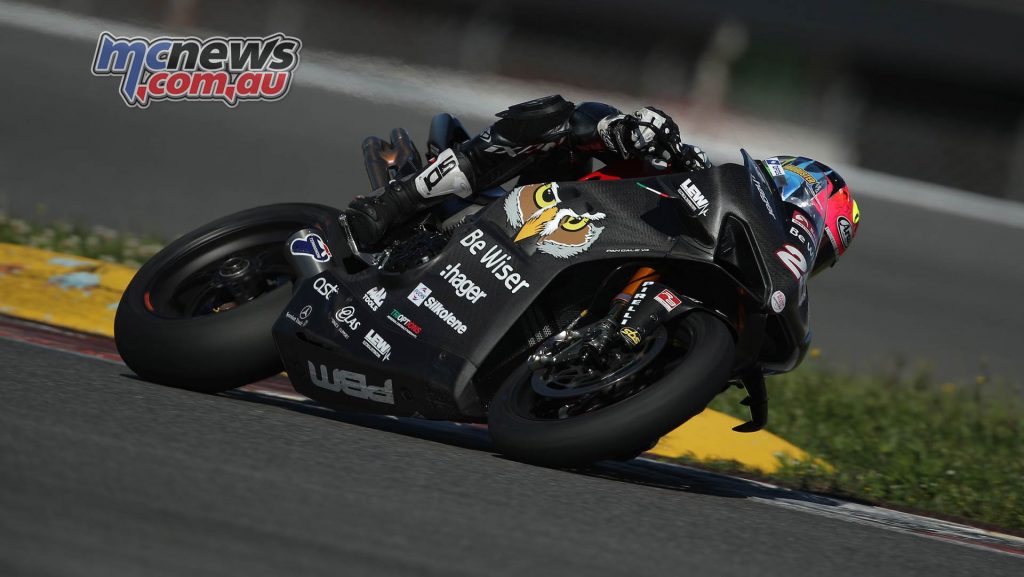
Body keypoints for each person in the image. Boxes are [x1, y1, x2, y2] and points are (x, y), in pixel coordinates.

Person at [344, 94, 858, 272]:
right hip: (536, 217)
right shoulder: (700, 173)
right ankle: (398, 201)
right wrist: (626, 130)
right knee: (559, 117)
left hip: (557, 276)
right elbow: (595, 128)